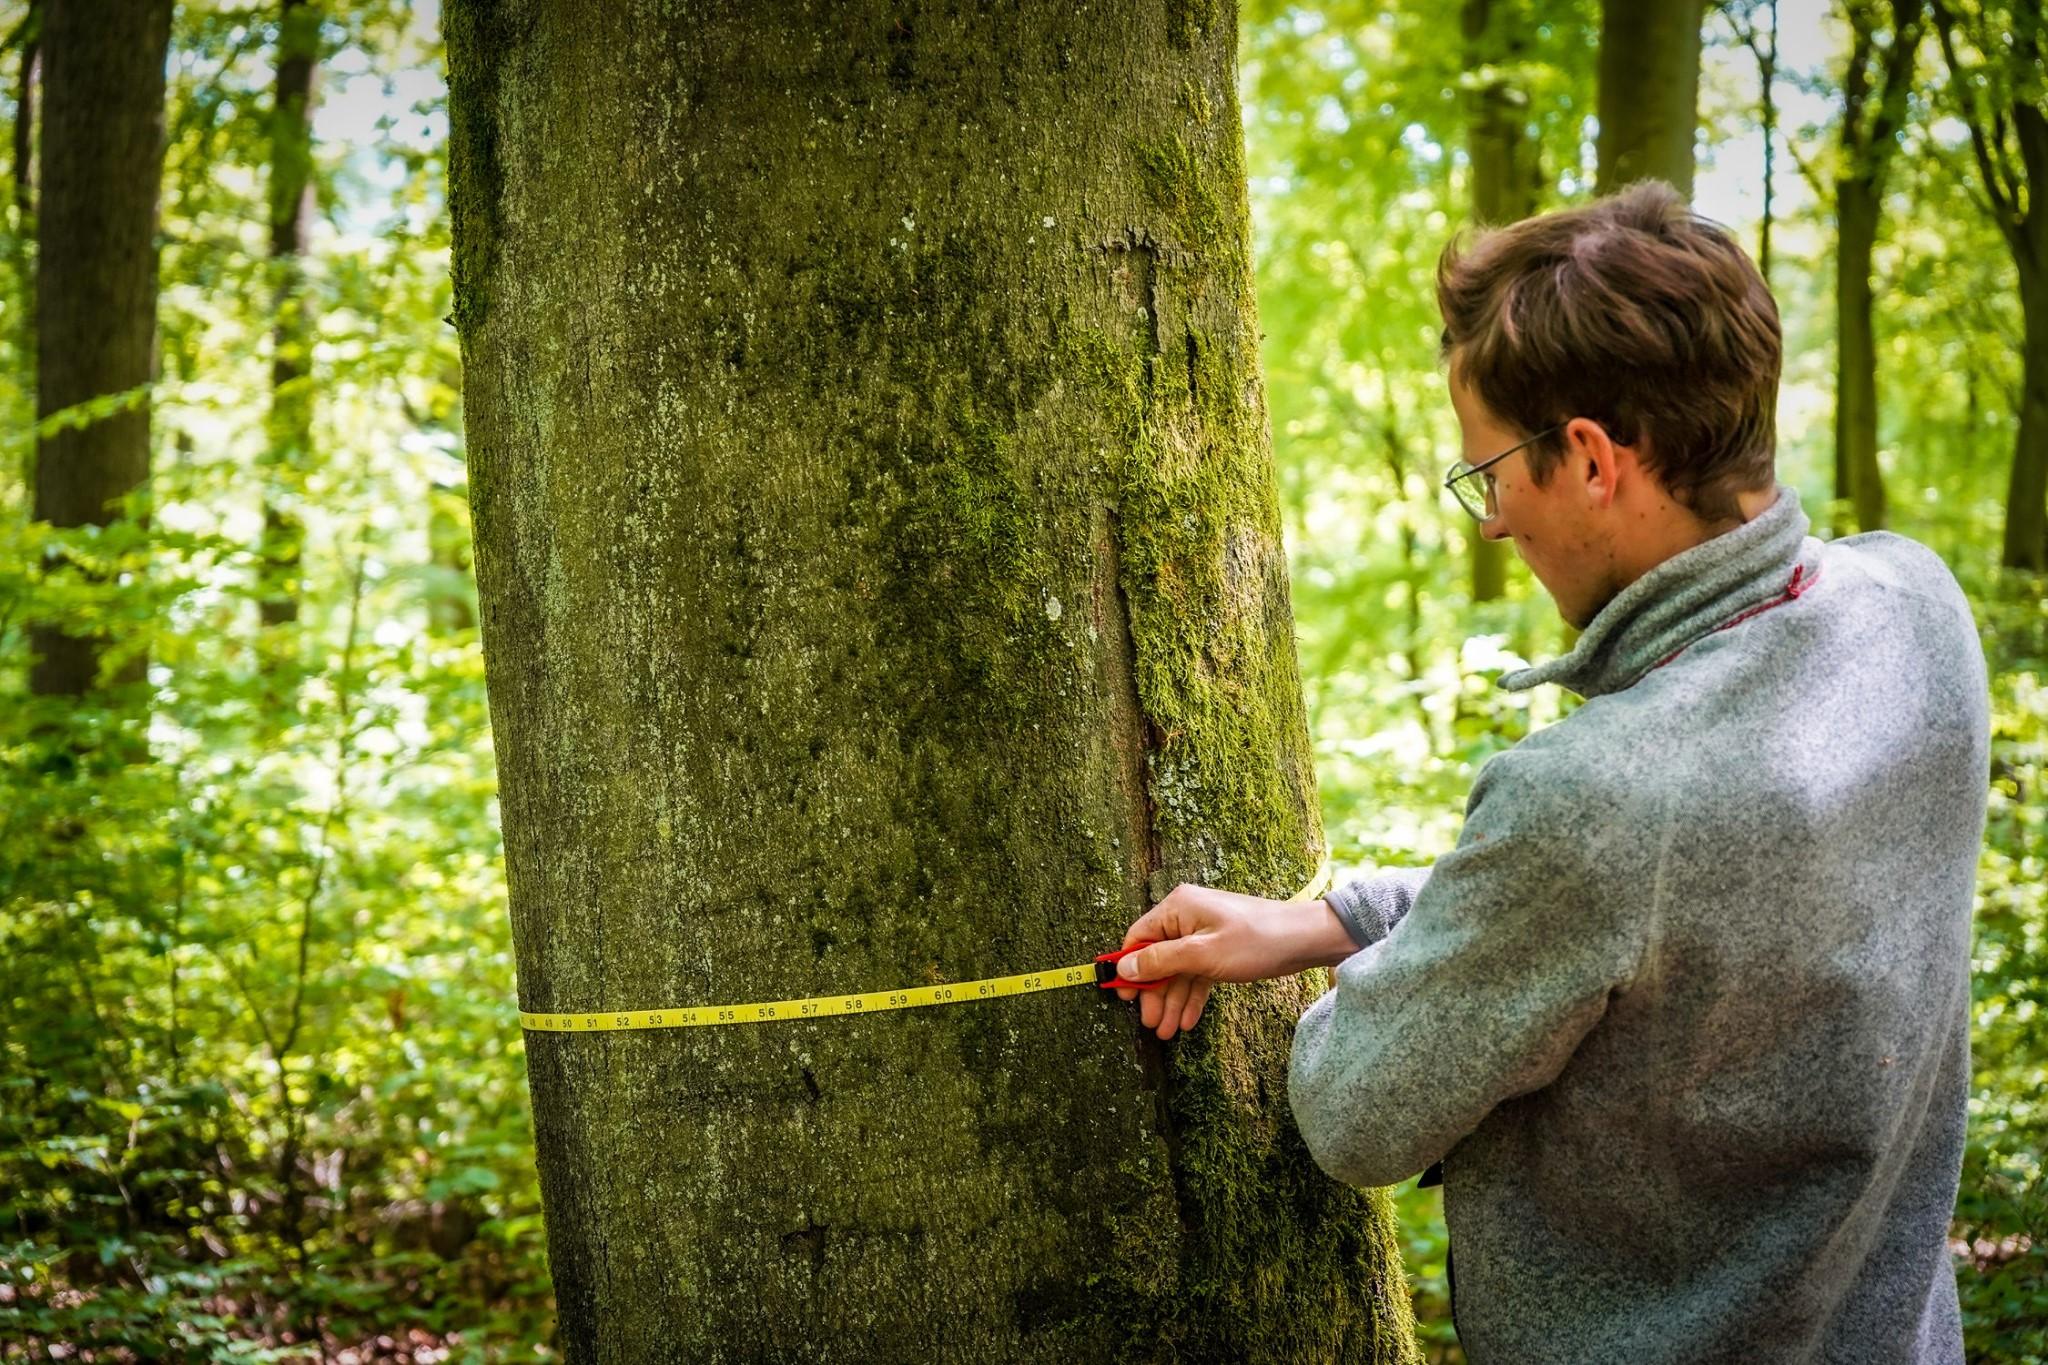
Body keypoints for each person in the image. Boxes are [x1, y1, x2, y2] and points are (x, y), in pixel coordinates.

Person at [1110, 182, 1990, 1364]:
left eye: (1488, 473)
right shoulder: (1911, 606)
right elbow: (1669, 912)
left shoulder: (1601, 796)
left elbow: (1353, 1110)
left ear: (1585, 460)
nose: (1487, 523)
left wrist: (1388, 990)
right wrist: (1332, 918)